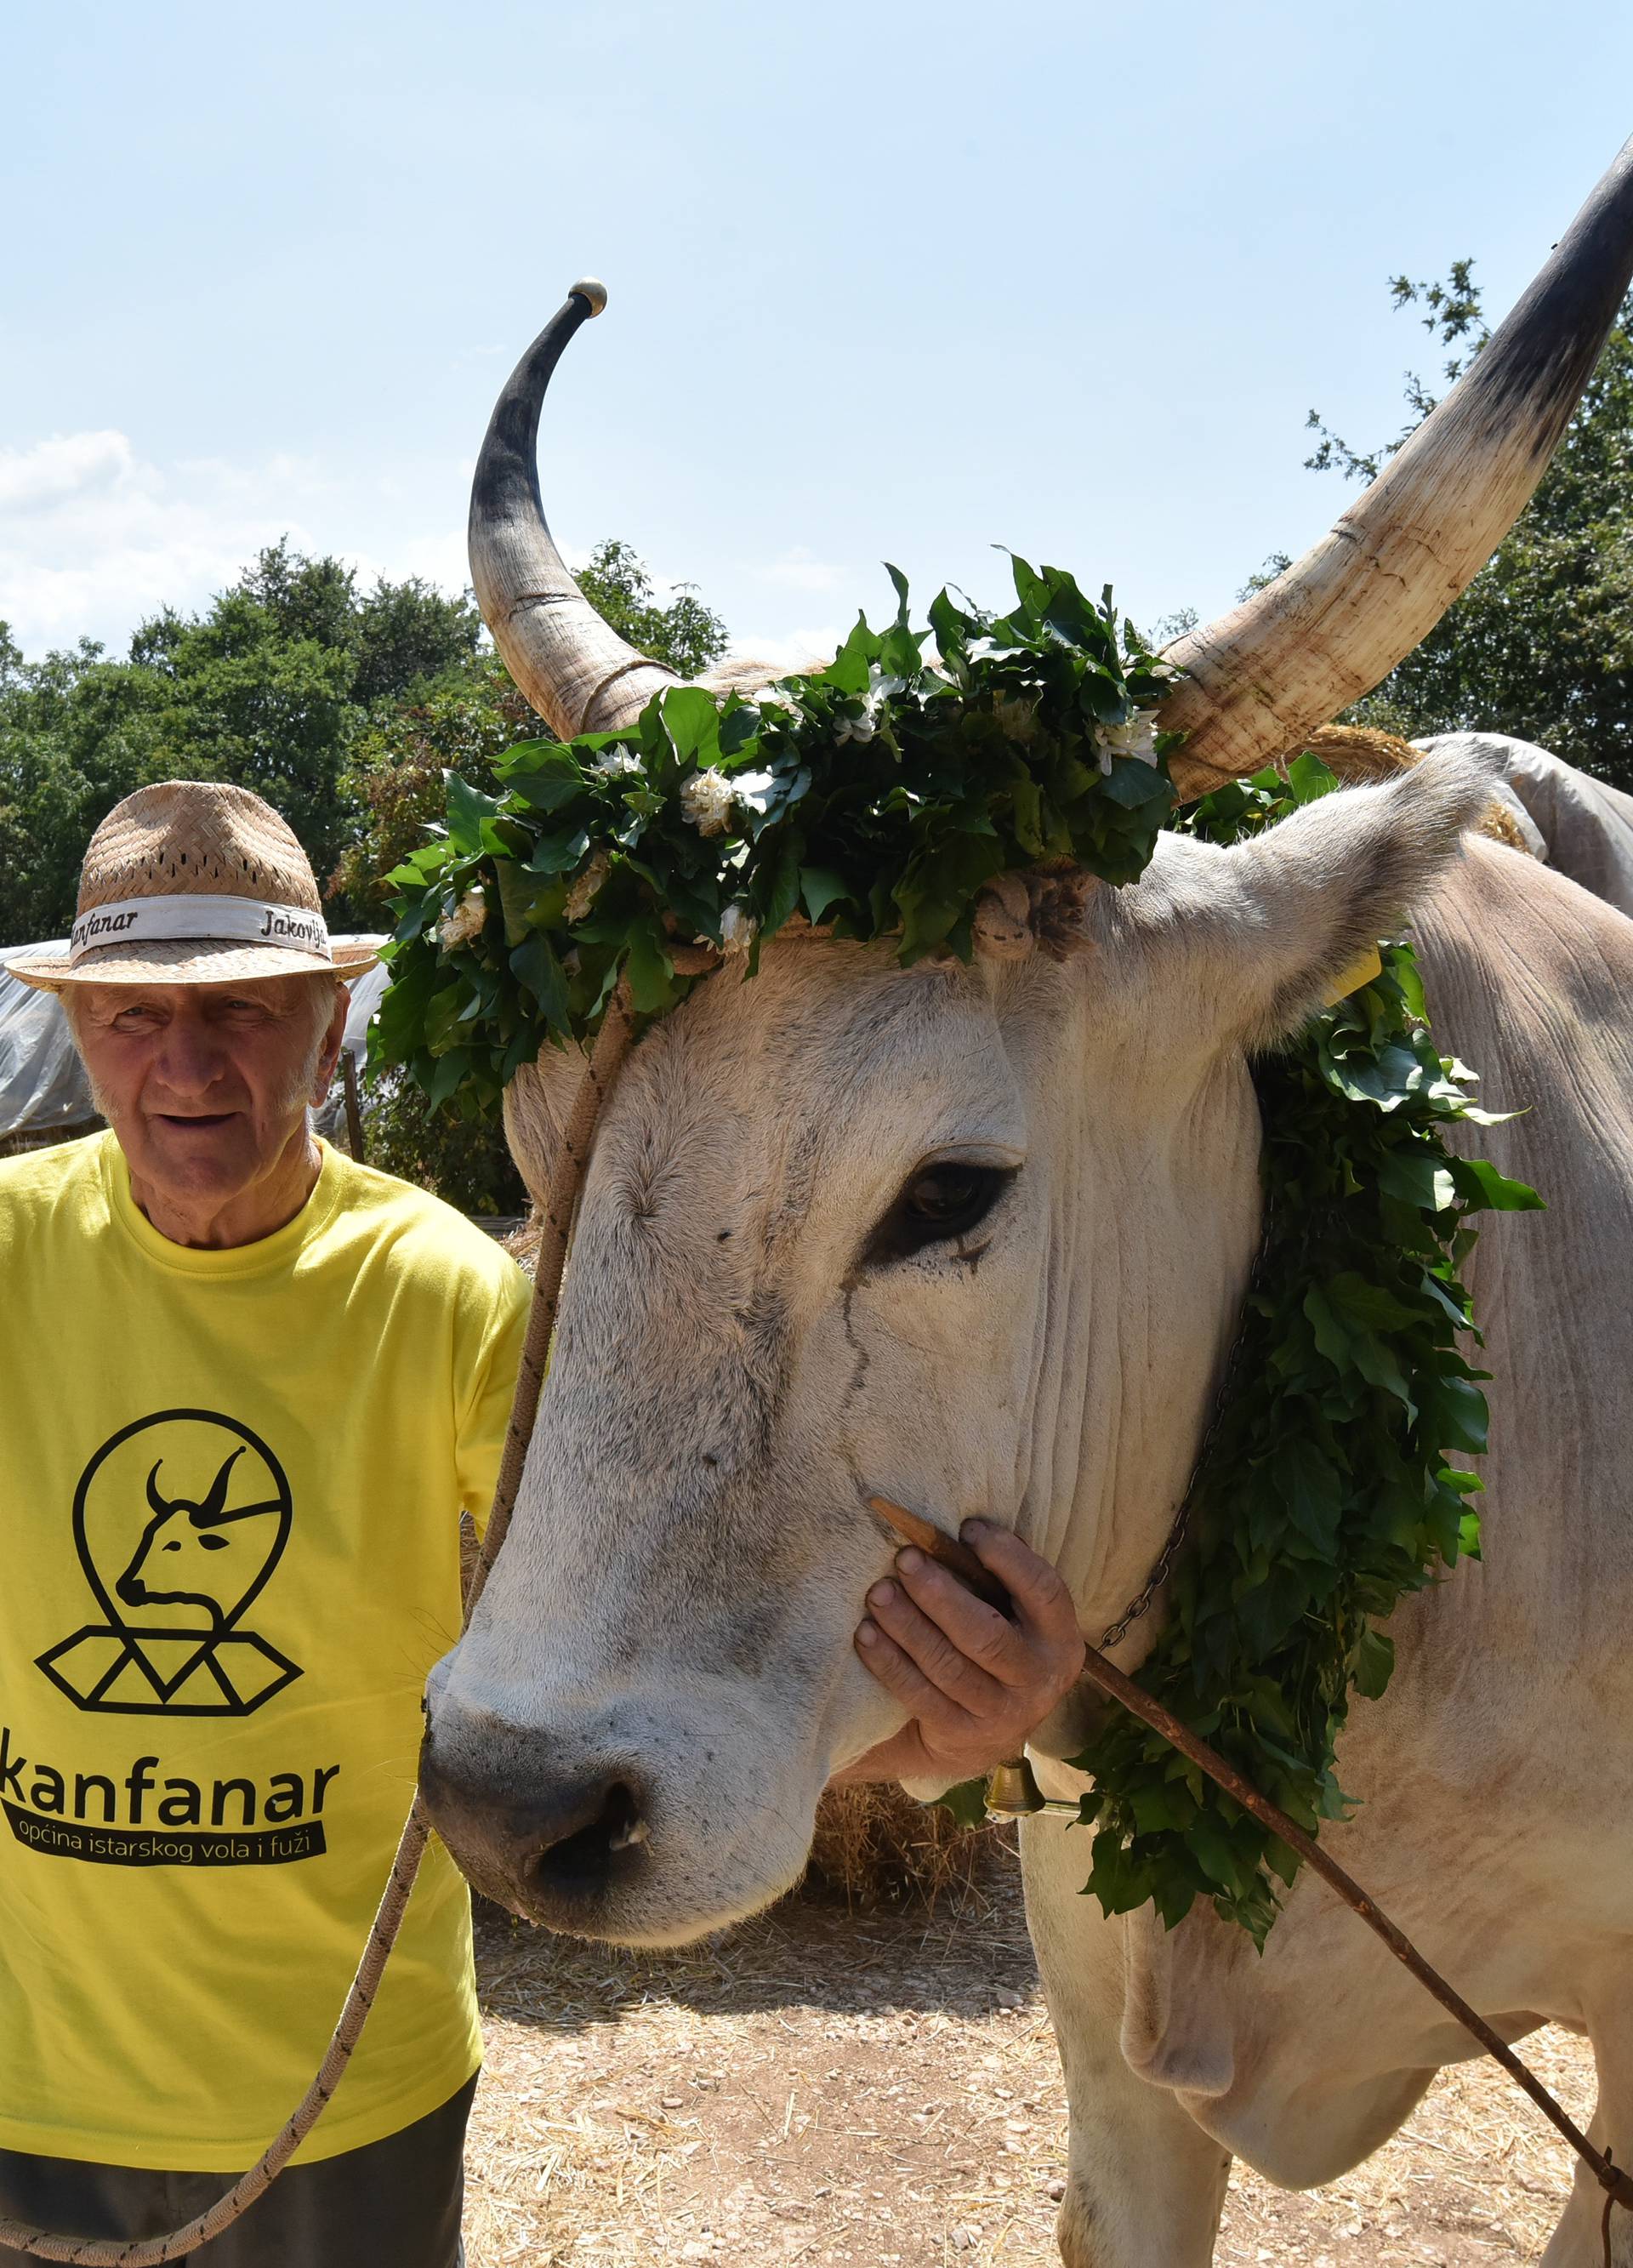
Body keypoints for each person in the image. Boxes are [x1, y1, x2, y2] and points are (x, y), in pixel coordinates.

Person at [0, 781, 1084, 2265]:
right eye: (131, 1017)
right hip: (28, 2095)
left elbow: (650, 1635)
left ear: (328, 1035)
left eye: (247, 1010)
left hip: (346, 2106)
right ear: (77, 1031)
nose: (183, 1061)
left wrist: (949, 1737)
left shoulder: (451, 1298)